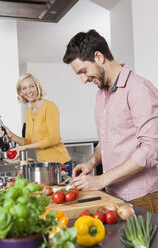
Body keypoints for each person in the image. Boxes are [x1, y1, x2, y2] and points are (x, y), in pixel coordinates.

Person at [63, 29, 158, 213]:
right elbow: (107, 141)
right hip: (113, 195)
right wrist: (92, 163)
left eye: (83, 71)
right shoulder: (101, 96)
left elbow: (152, 149)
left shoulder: (139, 89)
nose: (83, 80)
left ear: (98, 57)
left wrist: (101, 179)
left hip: (144, 196)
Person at [0, 73, 71, 168]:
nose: (28, 91)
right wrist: (11, 136)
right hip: (42, 164)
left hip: (60, 163)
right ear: (20, 92)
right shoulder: (29, 112)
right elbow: (29, 142)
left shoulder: (49, 106)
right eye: (24, 88)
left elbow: (53, 139)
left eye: (31, 86)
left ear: (37, 87)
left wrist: (23, 148)